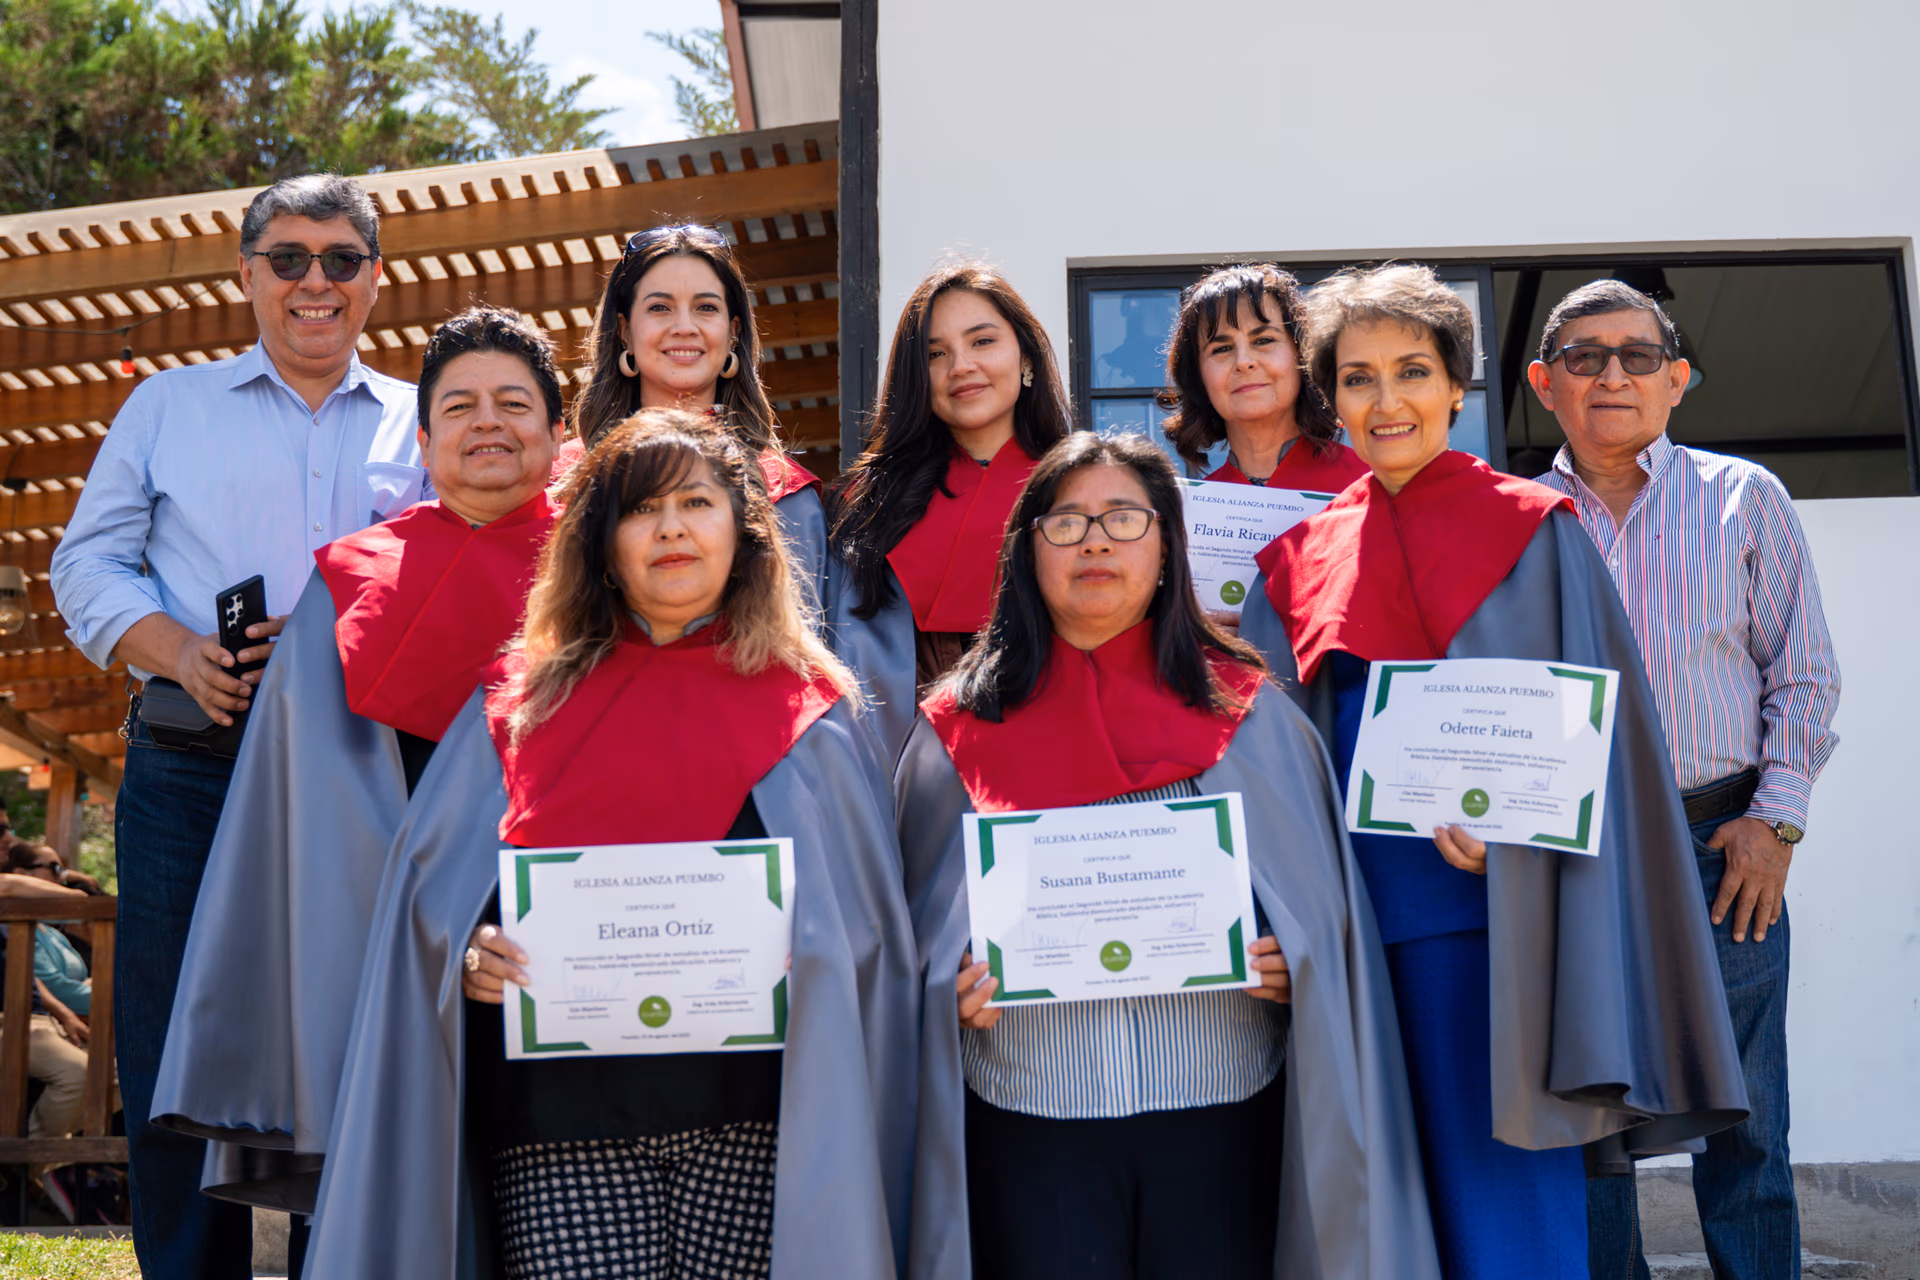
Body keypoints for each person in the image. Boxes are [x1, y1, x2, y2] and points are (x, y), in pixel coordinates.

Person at [304, 412, 918, 1279]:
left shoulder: (812, 711)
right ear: (600, 543)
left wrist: (812, 949)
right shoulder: (514, 711)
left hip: (754, 1121)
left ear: (743, 535)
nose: (671, 528)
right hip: (561, 1126)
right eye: (641, 508)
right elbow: (432, 916)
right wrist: (467, 954)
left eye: (697, 503)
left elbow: (868, 944)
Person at [1240, 264, 1750, 1279]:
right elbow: (1270, 761)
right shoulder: (1295, 559)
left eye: (1412, 372)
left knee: (1503, 1212)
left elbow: (1606, 749)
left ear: (1456, 388)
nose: (1386, 402)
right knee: (1376, 1202)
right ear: (1330, 396)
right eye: (1357, 378)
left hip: (1496, 922)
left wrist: (1522, 822)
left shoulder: (1538, 531)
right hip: (1343, 928)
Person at [897, 431, 1437, 1280]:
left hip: (1220, 1103)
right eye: (1066, 523)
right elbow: (912, 941)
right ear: (1026, 553)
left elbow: (1325, 931)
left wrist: (1297, 967)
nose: (1097, 542)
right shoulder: (950, 734)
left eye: (1123, 517)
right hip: (1033, 1113)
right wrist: (944, 990)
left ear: (1167, 546)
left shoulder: (1258, 718)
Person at [48, 171, 421, 1280]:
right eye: (290, 259)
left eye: (341, 259)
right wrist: (175, 650)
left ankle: (338, 1261)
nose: (317, 282)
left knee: (352, 1031)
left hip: (371, 770)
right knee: (172, 1040)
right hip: (193, 763)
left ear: (375, 277)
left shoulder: (429, 411)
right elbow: (87, 560)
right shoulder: (167, 404)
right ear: (246, 274)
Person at [148, 306, 566, 1231]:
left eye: (514, 402)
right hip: (388, 932)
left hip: (560, 929)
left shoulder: (615, 569)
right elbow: (295, 817)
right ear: (422, 438)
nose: (486, 424)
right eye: (458, 408)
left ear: (557, 428)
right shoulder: (346, 581)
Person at [1526, 279, 1841, 1280]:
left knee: (1745, 1120)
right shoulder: (1513, 517)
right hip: (1571, 859)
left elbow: (1804, 670)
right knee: (1593, 1129)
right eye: (1583, 356)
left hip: (1722, 849)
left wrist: (1774, 823)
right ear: (1544, 383)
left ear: (1678, 378)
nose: (1610, 374)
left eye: (1635, 354)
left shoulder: (1745, 497)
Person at [827, 262, 1073, 759]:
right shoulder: (861, 507)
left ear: (1025, 356)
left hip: (1063, 744)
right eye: (936, 354)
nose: (960, 366)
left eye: (983, 342)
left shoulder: (1081, 490)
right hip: (910, 761)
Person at [566, 223, 828, 606]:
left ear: (733, 333)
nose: (684, 328)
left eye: (706, 307)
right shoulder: (563, 479)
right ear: (625, 332)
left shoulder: (784, 494)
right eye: (660, 308)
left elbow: (802, 645)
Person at [1159, 263, 1368, 492]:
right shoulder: (1191, 515)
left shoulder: (1369, 486)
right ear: (1198, 377)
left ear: (1303, 354)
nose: (1243, 362)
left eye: (1263, 341)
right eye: (1221, 349)